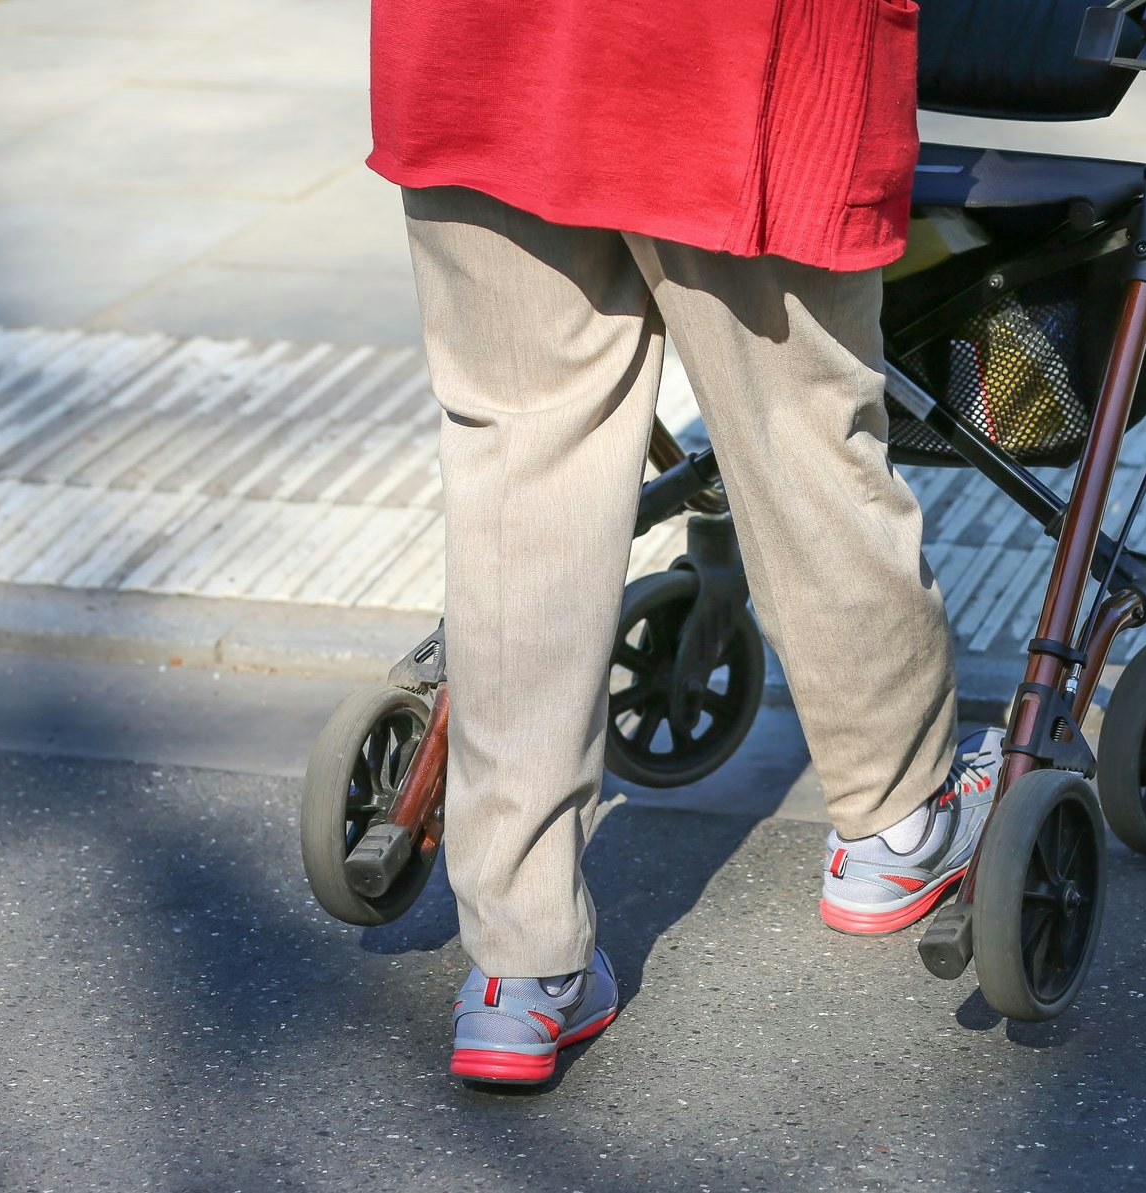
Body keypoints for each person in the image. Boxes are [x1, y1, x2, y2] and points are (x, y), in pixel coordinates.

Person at [368, 0, 999, 1085]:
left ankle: (520, 970)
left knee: (521, 462)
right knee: (799, 438)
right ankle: (898, 819)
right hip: (729, 62)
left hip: (482, 47)